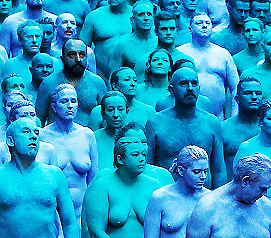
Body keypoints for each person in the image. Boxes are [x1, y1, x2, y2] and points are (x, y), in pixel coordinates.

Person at [145, 67, 226, 188]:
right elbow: (148, 169)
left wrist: (218, 202)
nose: (190, 88)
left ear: (199, 89)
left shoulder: (212, 123)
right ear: (172, 90)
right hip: (167, 198)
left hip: (203, 198)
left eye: (194, 83)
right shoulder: (155, 123)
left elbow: (218, 170)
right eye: (183, 83)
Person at [0, 117, 77, 238]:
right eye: (26, 132)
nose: (34, 136)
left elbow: (70, 224)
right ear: (10, 141)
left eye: (36, 132)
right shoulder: (1, 176)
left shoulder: (54, 175)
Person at [81, 128, 164, 238]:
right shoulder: (102, 186)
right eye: (135, 155)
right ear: (120, 159)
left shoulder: (154, 186)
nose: (141, 159)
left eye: (143, 155)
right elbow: (96, 232)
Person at [40, 82, 99, 219]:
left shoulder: (87, 135)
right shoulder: (43, 136)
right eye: (64, 101)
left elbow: (93, 180)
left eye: (73, 101)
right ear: (54, 106)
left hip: (82, 210)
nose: (70, 105)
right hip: (53, 212)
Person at [185, 153, 271, 238]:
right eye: (262, 189)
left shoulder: (266, 207)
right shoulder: (207, 208)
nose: (265, 194)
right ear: (245, 181)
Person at [143, 145, 210, 238]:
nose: (203, 176)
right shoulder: (160, 198)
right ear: (181, 170)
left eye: (205, 171)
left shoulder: (209, 199)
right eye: (196, 172)